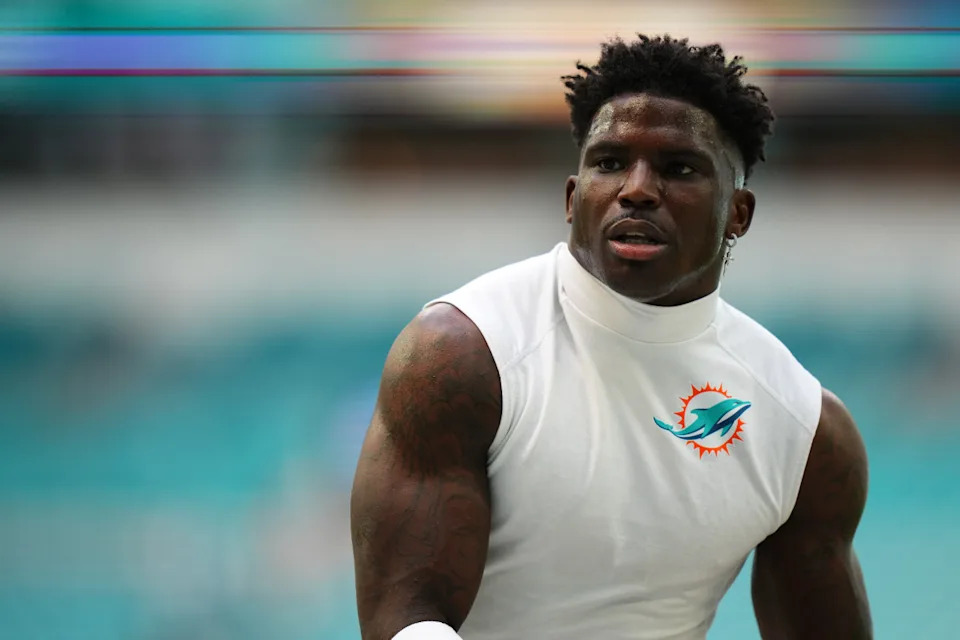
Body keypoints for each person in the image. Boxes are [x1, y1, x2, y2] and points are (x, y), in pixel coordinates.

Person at [350, 34, 871, 640]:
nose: (637, 189)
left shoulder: (803, 429)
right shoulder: (462, 355)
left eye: (679, 168)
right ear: (574, 199)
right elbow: (404, 623)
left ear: (739, 213)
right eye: (609, 162)